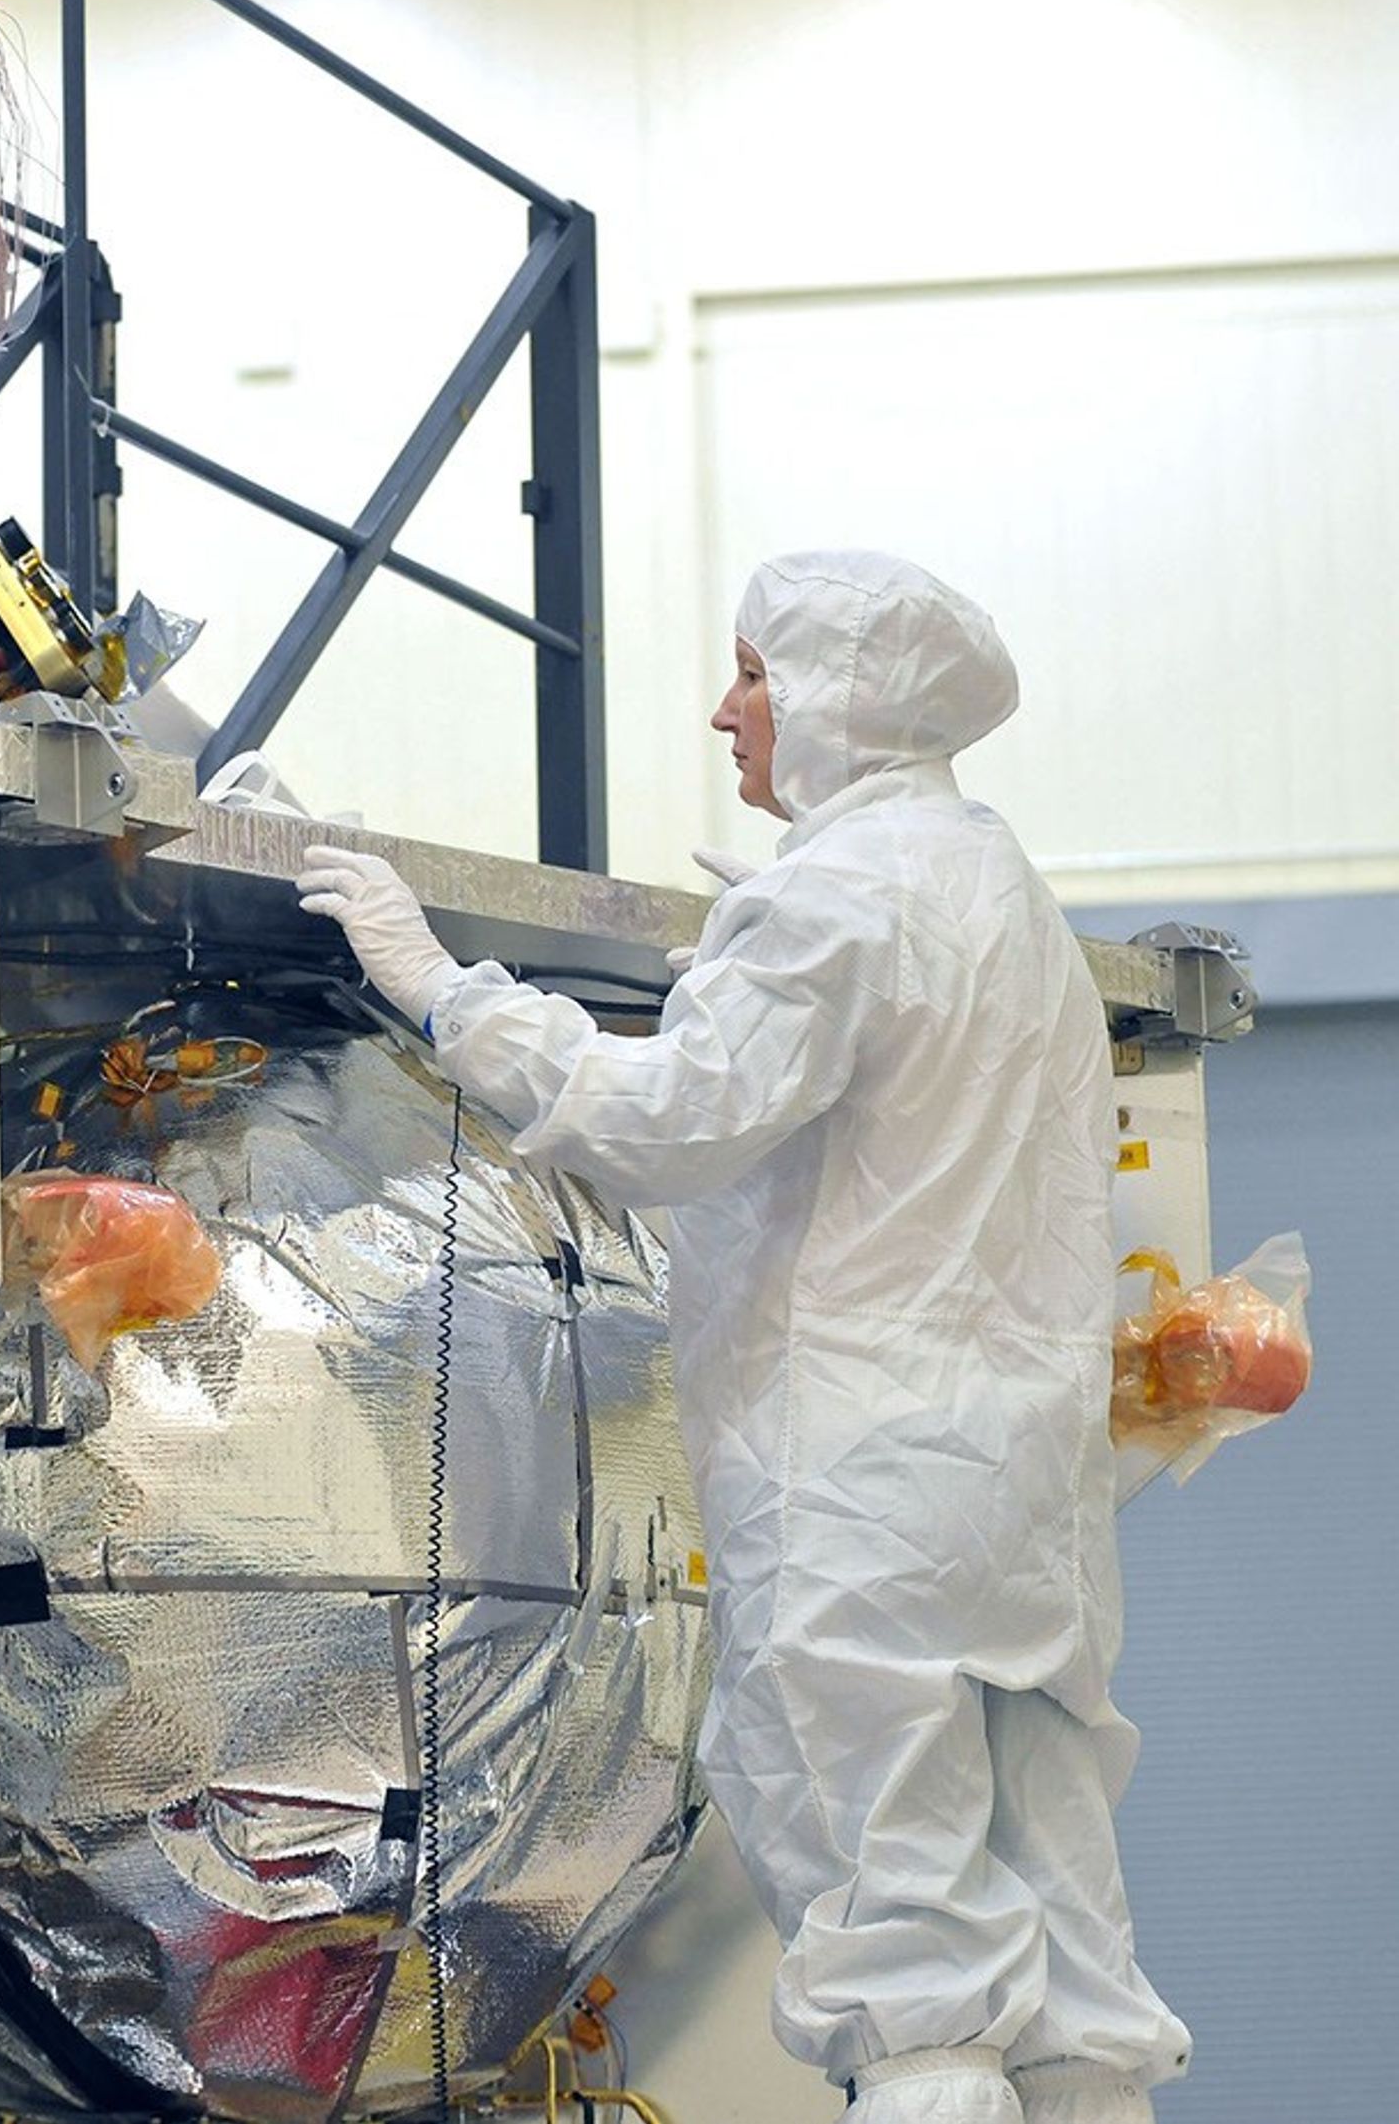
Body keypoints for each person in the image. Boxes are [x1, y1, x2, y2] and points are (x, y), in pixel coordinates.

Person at [296, 552, 1188, 2124]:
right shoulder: (1009, 897)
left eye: (756, 674)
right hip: (1023, 1503)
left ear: (841, 695)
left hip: (861, 1494)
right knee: (1064, 1961)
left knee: (906, 1959)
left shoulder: (837, 895)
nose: (728, 711)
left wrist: (446, 989)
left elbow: (663, 1121)